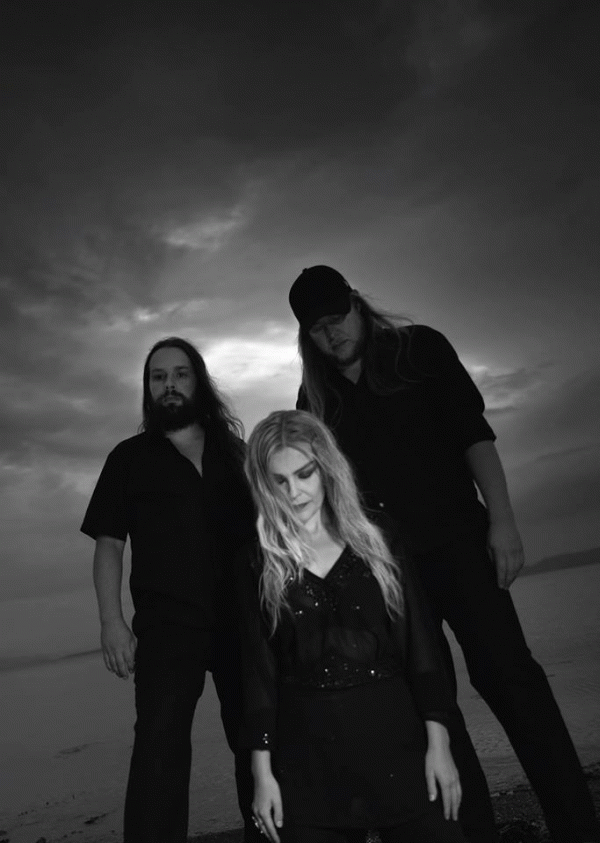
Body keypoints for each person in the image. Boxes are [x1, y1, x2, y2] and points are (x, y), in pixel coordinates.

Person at [288, 266, 600, 843]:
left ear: (356, 304)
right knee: (435, 708)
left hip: (462, 544)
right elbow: (329, 496)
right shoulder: (316, 399)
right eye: (317, 328)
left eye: (337, 319)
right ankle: (476, 833)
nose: (331, 335)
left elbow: (474, 435)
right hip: (391, 576)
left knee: (513, 680)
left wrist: (503, 522)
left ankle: (575, 824)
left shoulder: (419, 350)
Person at [237, 409, 466, 843]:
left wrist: (440, 744)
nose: (294, 492)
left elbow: (422, 648)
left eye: (304, 474)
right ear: (264, 486)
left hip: (397, 741)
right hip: (308, 761)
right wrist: (262, 774)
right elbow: (258, 674)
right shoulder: (257, 563)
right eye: (279, 481)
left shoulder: (379, 538)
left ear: (326, 467)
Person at [81, 337, 262, 843]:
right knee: (159, 750)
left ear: (198, 381)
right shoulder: (129, 458)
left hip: (243, 620)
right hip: (167, 627)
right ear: (148, 389)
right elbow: (109, 543)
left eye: (180, 374)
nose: (170, 385)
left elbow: (270, 535)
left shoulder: (237, 455)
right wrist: (112, 622)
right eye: (158, 377)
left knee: (256, 742)